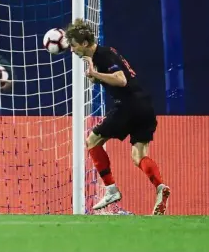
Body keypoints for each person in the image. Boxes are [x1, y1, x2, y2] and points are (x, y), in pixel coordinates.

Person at [65, 18, 170, 215]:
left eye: (73, 45)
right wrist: (97, 77)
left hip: (128, 106)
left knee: (92, 141)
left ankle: (111, 189)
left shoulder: (102, 56)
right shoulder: (107, 52)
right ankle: (160, 187)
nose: (71, 49)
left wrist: (97, 75)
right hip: (145, 105)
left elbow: (121, 80)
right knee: (139, 156)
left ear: (85, 44)